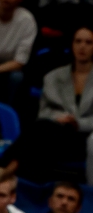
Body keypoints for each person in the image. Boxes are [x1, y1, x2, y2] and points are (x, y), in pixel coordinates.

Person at [18, 25, 93, 181]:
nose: (82, 46)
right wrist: (59, 118)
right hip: (57, 134)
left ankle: (12, 168)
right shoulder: (53, 76)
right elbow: (44, 112)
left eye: (88, 42)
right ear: (71, 44)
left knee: (39, 136)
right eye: (78, 41)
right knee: (43, 130)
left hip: (85, 138)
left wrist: (78, 123)